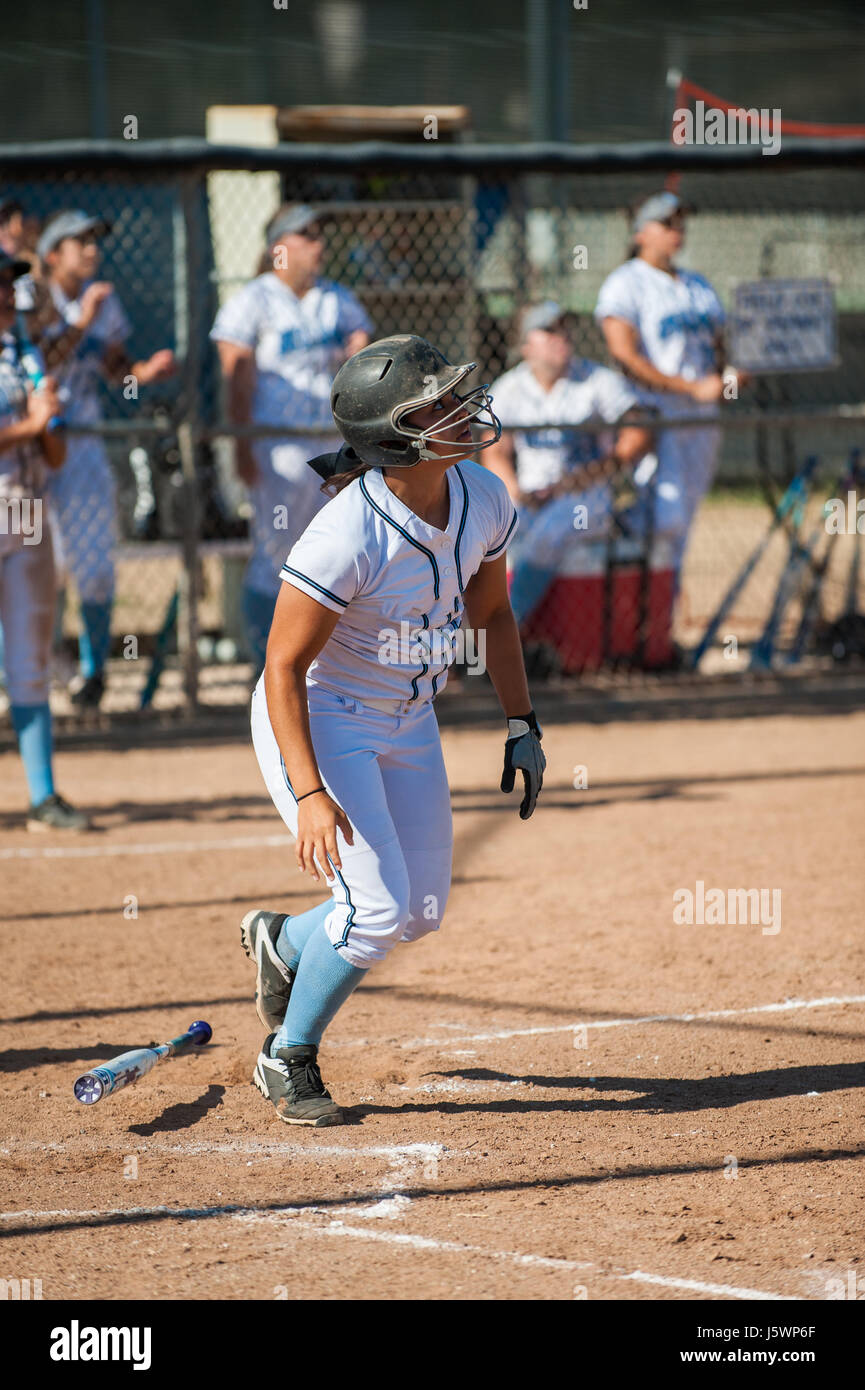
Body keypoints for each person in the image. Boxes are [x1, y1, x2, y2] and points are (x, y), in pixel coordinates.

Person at [240, 334, 545, 1126]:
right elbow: (281, 668)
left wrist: (521, 721)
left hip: (407, 719)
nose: (460, 409)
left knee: (418, 912)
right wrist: (309, 793)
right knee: (372, 914)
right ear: (397, 440)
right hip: (320, 715)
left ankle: (282, 941)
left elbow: (494, 614)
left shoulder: (482, 496)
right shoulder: (346, 532)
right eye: (435, 404)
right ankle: (287, 1057)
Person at [211, 204, 372, 675]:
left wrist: (358, 344)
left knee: (338, 549)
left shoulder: (334, 297)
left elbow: (363, 347)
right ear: (278, 246)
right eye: (306, 236)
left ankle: (328, 661)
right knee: (277, 552)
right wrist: (240, 445)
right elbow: (234, 376)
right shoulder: (253, 300)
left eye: (319, 235)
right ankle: (268, 664)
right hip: (274, 444)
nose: (318, 244)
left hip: (331, 444)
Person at [27, 209, 175, 710]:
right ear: (52, 255)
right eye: (80, 241)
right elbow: (39, 362)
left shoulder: (102, 300)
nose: (92, 249)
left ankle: (92, 674)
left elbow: (111, 365)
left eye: (95, 239)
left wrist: (140, 372)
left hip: (83, 444)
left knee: (92, 566)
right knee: (37, 564)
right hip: (29, 448)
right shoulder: (28, 296)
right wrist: (81, 319)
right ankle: (35, 670)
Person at [595, 191, 740, 583]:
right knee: (665, 518)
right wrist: (689, 388)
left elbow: (722, 351)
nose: (677, 230)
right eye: (666, 223)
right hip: (657, 415)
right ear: (641, 232)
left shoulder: (698, 285)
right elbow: (625, 356)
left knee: (684, 521)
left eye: (680, 222)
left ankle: (660, 626)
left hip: (702, 419)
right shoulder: (625, 283)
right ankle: (641, 607)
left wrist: (732, 379)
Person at [482, 301, 652, 628]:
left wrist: (600, 469)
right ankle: (470, 630)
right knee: (496, 537)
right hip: (531, 494)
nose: (563, 337)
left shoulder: (596, 380)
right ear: (526, 344)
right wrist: (515, 493)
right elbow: (495, 451)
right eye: (549, 331)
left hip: (587, 497)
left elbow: (641, 430)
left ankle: (504, 631)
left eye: (565, 329)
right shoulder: (510, 387)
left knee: (551, 532)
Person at [0, 250, 89, 830]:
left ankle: (43, 795)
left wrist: (48, 415)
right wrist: (31, 424)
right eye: (0, 285)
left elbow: (53, 454)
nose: (10, 293)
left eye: (12, 284)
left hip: (27, 511)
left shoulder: (21, 353)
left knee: (30, 656)